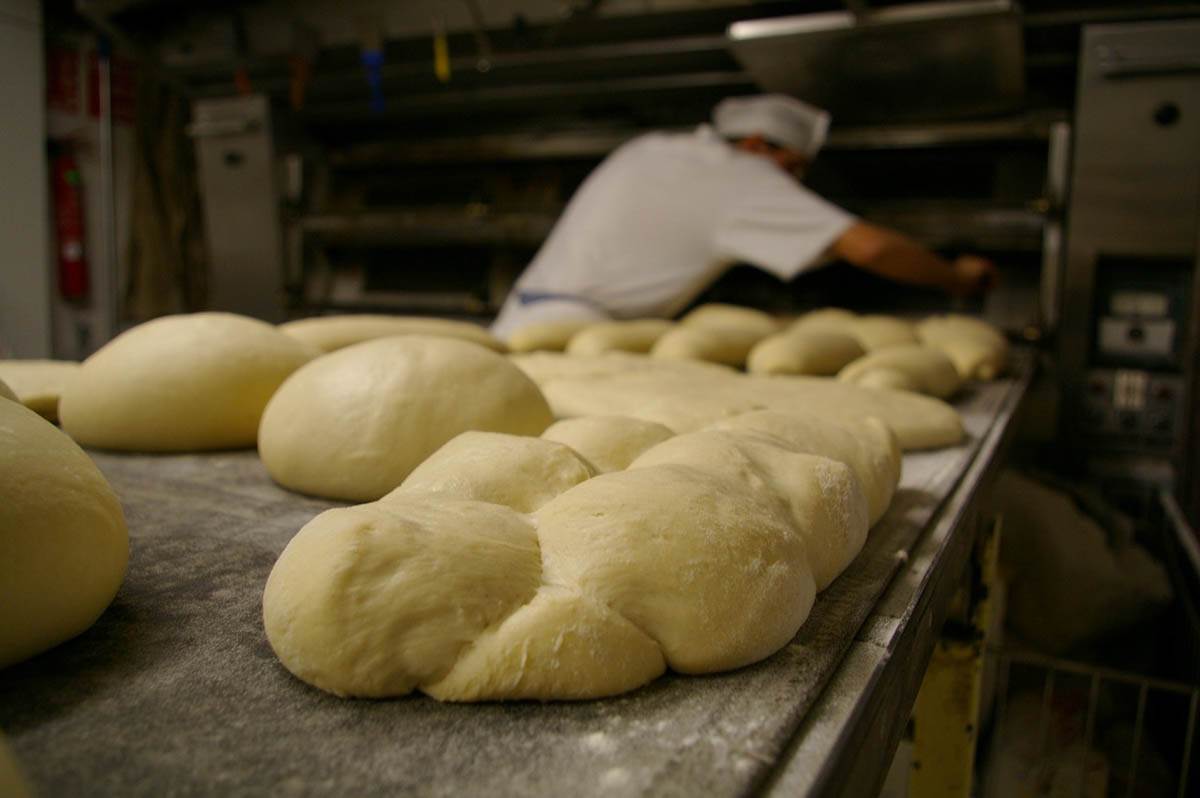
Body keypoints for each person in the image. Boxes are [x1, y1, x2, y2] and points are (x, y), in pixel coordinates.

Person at [490, 94, 996, 340]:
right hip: (578, 341)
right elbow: (870, 248)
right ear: (757, 144)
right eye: (793, 169)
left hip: (520, 319)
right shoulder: (743, 175)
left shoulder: (655, 147)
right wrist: (956, 279)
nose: (791, 187)